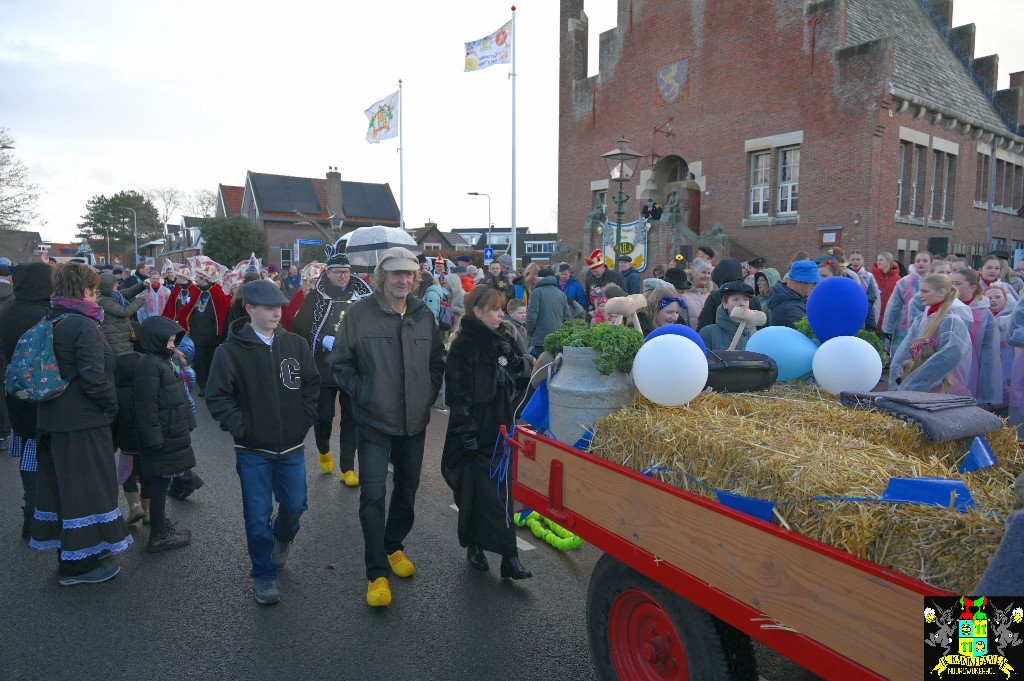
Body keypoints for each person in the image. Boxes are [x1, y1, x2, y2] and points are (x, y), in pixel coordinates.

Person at [330, 246, 445, 608]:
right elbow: (341, 364)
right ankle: (376, 569)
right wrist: (365, 394)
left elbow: (436, 361)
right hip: (374, 421)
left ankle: (394, 545)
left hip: (414, 421)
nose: (404, 280)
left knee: (408, 488)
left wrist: (425, 396)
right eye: (396, 273)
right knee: (373, 494)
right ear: (382, 277)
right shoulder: (359, 315)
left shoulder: (423, 313)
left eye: (409, 274)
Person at [206, 280, 320, 606]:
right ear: (249, 309)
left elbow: (311, 385)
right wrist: (244, 428)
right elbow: (218, 396)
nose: (276, 312)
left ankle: (282, 538)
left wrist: (303, 420)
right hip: (253, 450)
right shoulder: (230, 351)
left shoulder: (296, 344)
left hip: (291, 448)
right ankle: (264, 573)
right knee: (257, 517)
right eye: (268, 307)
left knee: (295, 506)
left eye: (279, 306)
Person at [31, 262, 131, 586]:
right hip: (82, 422)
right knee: (85, 491)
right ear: (86, 290)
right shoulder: (83, 325)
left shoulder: (52, 319)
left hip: (53, 419)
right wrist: (112, 406)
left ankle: (77, 553)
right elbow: (94, 376)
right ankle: (78, 566)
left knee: (65, 491)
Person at [441, 286, 532, 580]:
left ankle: (508, 557)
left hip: (501, 424)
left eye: (501, 308)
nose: (500, 314)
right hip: (475, 428)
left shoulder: (504, 337)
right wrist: (466, 431)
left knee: (499, 491)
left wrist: (514, 357)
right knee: (474, 492)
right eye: (494, 309)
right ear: (477, 312)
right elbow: (458, 393)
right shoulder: (465, 344)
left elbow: (521, 376)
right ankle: (481, 547)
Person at [290, 248, 372, 486]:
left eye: (346, 272)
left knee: (352, 418)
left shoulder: (362, 296)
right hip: (323, 367)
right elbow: (300, 327)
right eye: (338, 272)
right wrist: (323, 338)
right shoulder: (315, 297)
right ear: (327, 273)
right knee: (324, 416)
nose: (344, 277)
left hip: (352, 367)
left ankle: (348, 468)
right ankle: (324, 449)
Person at [133, 316, 197, 552]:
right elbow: (146, 406)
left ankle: (160, 527)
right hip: (162, 434)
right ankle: (159, 534)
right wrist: (153, 439)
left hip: (169, 432)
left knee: (163, 482)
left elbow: (178, 394)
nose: (173, 345)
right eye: (169, 340)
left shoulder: (161, 361)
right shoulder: (150, 365)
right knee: (160, 484)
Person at [0, 262, 52, 540]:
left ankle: (30, 516)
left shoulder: (9, 310)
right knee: (49, 458)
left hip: (17, 394)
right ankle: (46, 517)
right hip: (44, 395)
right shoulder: (44, 314)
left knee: (29, 458)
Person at [888, 274, 971, 394]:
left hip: (942, 385)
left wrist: (914, 384)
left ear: (941, 292)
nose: (920, 295)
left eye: (925, 291)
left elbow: (948, 356)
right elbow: (905, 347)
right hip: (921, 383)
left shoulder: (951, 321)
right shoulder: (924, 317)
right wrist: (898, 375)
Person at [950, 268, 1003, 404]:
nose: (952, 287)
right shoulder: (946, 308)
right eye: (950, 283)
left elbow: (990, 353)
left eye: (957, 283)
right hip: (946, 367)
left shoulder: (984, 314)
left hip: (971, 370)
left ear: (972, 287)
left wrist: (988, 390)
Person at [883, 251, 932, 352]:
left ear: (931, 263)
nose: (921, 263)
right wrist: (888, 329)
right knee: (904, 354)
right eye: (917, 261)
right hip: (904, 325)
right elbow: (894, 306)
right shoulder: (904, 282)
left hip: (929, 324)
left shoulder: (935, 281)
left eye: (925, 261)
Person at [97, 271, 149, 356]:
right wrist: (141, 300)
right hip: (115, 339)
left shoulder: (114, 294)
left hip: (120, 336)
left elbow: (129, 292)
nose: (117, 284)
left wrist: (143, 284)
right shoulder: (104, 300)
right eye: (115, 283)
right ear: (108, 285)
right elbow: (125, 312)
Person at [525, 267, 572, 357]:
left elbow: (532, 316)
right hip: (558, 339)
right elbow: (568, 319)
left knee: (542, 367)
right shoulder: (561, 294)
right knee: (556, 367)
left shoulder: (536, 292)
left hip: (541, 339)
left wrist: (530, 333)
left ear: (539, 277)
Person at [700, 281, 756, 351]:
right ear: (724, 304)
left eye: (746, 300)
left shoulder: (754, 335)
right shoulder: (709, 333)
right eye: (736, 299)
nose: (742, 304)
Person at [985, 286, 1016, 410]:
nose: (993, 300)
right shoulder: (982, 317)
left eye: (998, 297)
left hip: (1008, 360)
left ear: (1005, 299)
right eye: (989, 297)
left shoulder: (1013, 317)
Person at [767, 260, 820, 328]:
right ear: (800, 281)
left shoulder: (791, 298)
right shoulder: (789, 309)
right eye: (813, 283)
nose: (813, 287)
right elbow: (810, 332)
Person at [583, 250, 624, 316]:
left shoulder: (615, 276)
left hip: (612, 313)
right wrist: (589, 308)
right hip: (595, 313)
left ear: (602, 267)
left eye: (596, 271)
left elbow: (623, 294)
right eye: (592, 271)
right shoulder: (590, 277)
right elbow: (587, 294)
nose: (594, 274)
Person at [872, 252, 901, 334]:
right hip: (874, 315)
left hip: (888, 317)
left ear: (889, 262)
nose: (878, 262)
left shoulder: (897, 279)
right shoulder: (871, 276)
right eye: (877, 260)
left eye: (881, 260)